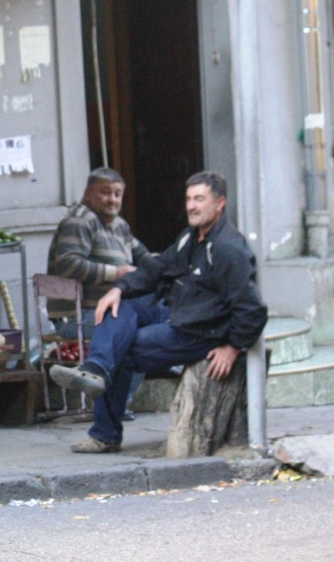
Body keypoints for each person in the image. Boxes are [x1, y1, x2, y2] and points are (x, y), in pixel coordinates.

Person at [49, 170, 268, 453]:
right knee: (121, 306)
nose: (191, 206)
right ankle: (95, 369)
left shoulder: (228, 248)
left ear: (220, 203)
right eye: (189, 199)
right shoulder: (192, 236)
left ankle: (104, 433)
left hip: (198, 331)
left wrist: (233, 347)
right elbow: (158, 267)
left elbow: (252, 309)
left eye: (199, 199)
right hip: (177, 310)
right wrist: (119, 288)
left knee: (123, 351)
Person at [46, 167, 152, 418]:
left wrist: (166, 265)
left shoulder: (119, 226)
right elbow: (69, 264)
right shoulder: (80, 220)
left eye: (117, 194)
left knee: (150, 330)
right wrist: (116, 273)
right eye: (105, 193)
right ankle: (114, 404)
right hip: (76, 316)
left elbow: (144, 257)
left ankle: (112, 401)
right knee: (139, 337)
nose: (112, 200)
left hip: (107, 313)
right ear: (88, 194)